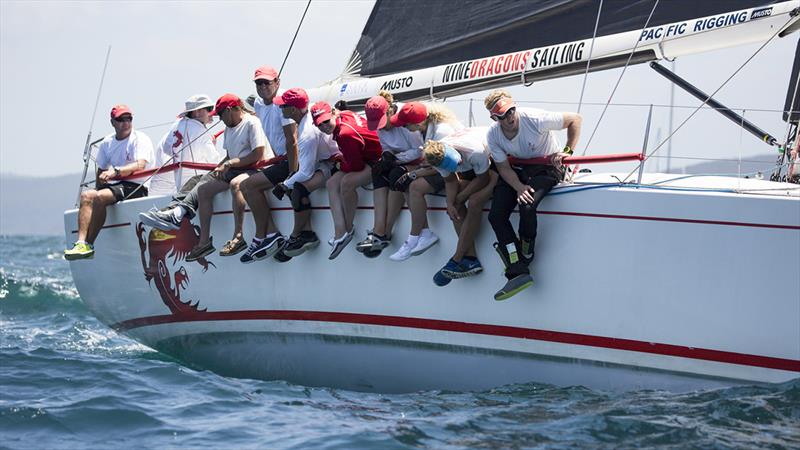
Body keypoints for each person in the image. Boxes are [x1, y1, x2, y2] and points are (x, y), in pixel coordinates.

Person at [484, 90, 581, 301]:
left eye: (511, 111)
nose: (509, 117)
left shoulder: (535, 118)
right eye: (503, 115)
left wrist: (567, 151)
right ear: (494, 118)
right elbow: (503, 168)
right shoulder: (493, 135)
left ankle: (526, 249)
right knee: (496, 216)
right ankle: (516, 267)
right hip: (519, 170)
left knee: (527, 205)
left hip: (545, 168)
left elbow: (575, 119)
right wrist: (519, 186)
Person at [239, 88, 339, 262]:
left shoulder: (307, 133)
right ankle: (305, 233)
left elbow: (305, 172)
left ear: (292, 110)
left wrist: (286, 184)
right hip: (324, 162)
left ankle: (295, 236)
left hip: (333, 165)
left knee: (297, 188)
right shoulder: (306, 115)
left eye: (282, 106)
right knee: (296, 186)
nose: (280, 109)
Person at [185, 93, 270, 261]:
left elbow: (258, 155)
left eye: (221, 115)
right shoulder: (229, 128)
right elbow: (230, 155)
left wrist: (230, 163)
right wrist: (222, 165)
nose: (220, 119)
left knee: (236, 184)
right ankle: (204, 243)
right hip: (238, 167)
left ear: (230, 110)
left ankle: (238, 236)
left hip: (256, 168)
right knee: (203, 190)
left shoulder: (252, 123)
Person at [65, 105, 154, 260]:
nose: (126, 122)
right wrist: (100, 184)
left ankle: (89, 245)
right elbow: (101, 169)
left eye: (129, 118)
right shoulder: (108, 142)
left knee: (99, 197)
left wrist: (116, 172)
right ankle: (80, 243)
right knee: (87, 195)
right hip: (117, 186)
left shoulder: (139, 139)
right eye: (121, 119)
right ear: (112, 122)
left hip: (137, 185)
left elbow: (140, 165)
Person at [237, 70, 304, 263]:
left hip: (293, 160)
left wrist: (291, 176)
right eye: (259, 84)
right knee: (247, 186)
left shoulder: (283, 102)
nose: (263, 87)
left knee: (247, 186)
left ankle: (262, 236)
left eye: (267, 83)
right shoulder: (258, 103)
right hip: (280, 159)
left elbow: (292, 141)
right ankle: (271, 234)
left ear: (277, 82)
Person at [387, 101, 464, 262]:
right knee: (407, 182)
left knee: (414, 186)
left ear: (416, 122)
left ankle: (414, 237)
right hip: (442, 167)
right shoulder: (426, 128)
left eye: (405, 124)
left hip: (456, 170)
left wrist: (415, 174)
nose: (403, 128)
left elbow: (444, 165)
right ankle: (423, 233)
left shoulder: (442, 131)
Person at [422, 127, 498, 286]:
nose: (459, 163)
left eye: (456, 161)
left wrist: (461, 197)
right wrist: (450, 203)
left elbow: (483, 179)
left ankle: (457, 258)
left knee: (475, 201)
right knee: (454, 206)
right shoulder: (436, 156)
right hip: (476, 170)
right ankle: (470, 258)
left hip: (497, 167)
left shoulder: (474, 151)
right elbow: (450, 181)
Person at [356, 92, 424, 258]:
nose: (379, 127)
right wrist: (386, 156)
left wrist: (396, 159)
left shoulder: (405, 119)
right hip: (399, 160)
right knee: (377, 172)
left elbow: (420, 151)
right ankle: (378, 228)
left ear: (389, 112)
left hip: (418, 161)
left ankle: (385, 231)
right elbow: (386, 146)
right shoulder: (380, 127)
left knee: (395, 175)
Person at [312, 101, 382, 259]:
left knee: (347, 184)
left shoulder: (344, 134)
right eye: (319, 124)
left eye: (325, 121)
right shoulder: (344, 115)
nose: (323, 126)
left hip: (379, 160)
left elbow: (356, 166)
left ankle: (348, 229)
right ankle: (340, 231)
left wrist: (340, 162)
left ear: (333, 113)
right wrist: (342, 161)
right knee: (331, 183)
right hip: (368, 156)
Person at [147, 94, 221, 197]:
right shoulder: (201, 130)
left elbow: (166, 148)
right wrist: (213, 146)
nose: (212, 112)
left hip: (180, 186)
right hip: (197, 187)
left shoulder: (176, 125)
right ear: (197, 112)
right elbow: (214, 160)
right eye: (209, 109)